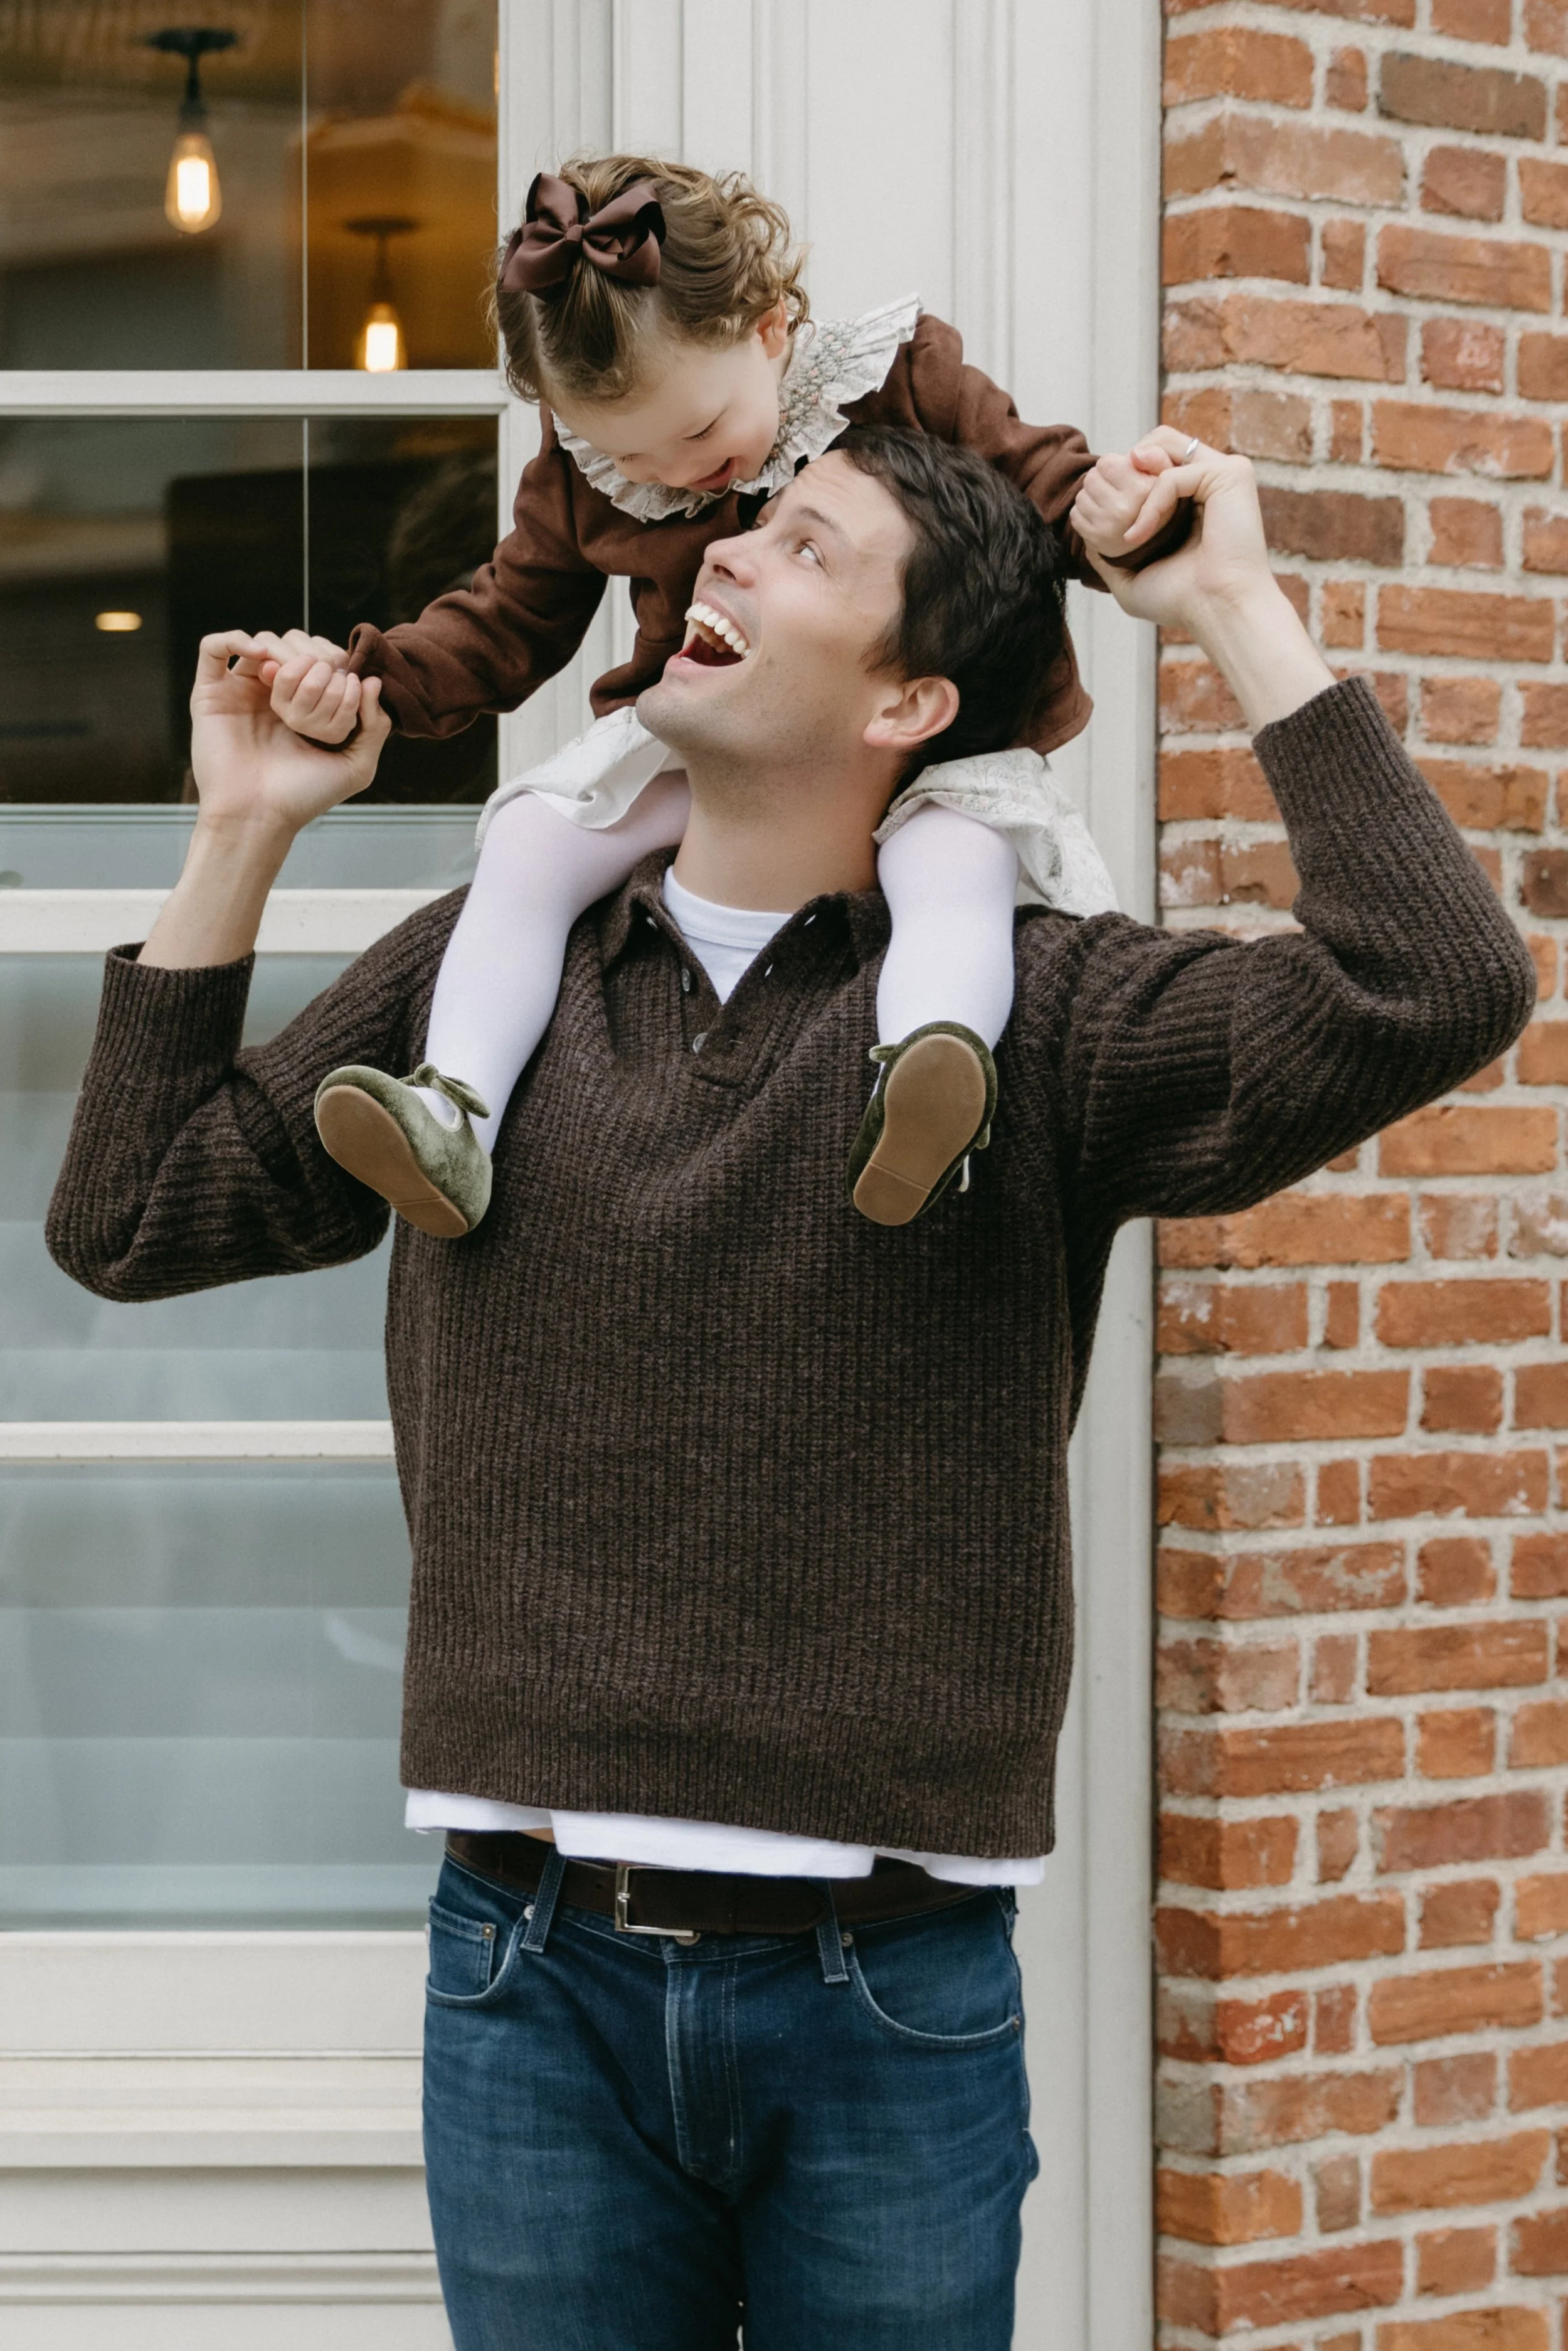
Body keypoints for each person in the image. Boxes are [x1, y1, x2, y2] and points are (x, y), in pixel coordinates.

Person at [48, 426, 1533, 2350]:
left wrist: (1225, 604)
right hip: (528, 1970)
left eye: (801, 547)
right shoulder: (496, 979)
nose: (722, 561)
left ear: (909, 697)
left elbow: (1435, 980)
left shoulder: (1049, 1012)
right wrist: (240, 826)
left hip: (884, 1990)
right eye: (738, 532)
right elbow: (131, 1217)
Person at [260, 153, 1174, 1236]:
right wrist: (371, 683)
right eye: (617, 450)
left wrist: (1113, 515)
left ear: (771, 329)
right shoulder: (589, 471)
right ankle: (455, 1106)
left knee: (955, 865)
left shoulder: (894, 373)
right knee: (533, 843)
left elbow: (1037, 480)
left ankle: (924, 1082)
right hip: (717, 736)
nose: (663, 473)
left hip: (935, 735)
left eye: (694, 437)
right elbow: (510, 616)